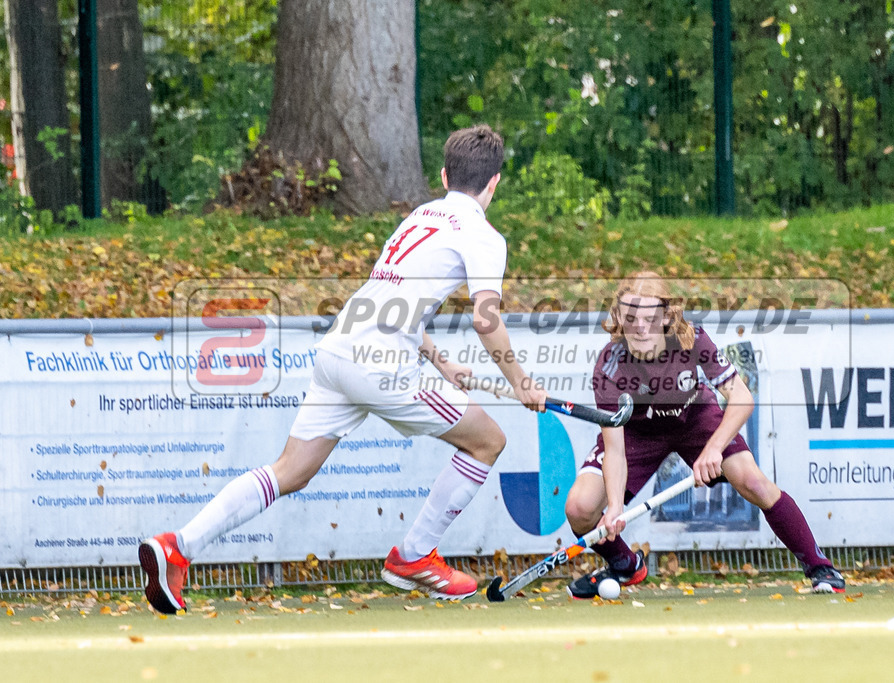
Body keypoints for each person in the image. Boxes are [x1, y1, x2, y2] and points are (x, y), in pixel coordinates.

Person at [139, 124, 547, 613]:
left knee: (289, 471)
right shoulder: (482, 235)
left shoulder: (421, 216)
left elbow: (393, 300)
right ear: (495, 183)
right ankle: (414, 556)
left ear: (444, 175)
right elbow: (486, 319)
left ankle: (177, 546)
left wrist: (441, 363)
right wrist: (521, 383)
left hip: (338, 351)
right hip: (382, 367)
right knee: (488, 440)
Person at [563, 271, 845, 598]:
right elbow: (615, 449)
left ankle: (820, 567)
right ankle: (625, 564)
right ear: (618, 317)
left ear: (667, 315)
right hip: (636, 433)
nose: (639, 327)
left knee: (752, 481)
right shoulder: (610, 366)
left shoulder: (692, 340)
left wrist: (713, 449)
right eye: (630, 317)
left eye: (650, 317)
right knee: (580, 509)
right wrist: (613, 507)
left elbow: (742, 398)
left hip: (694, 419)